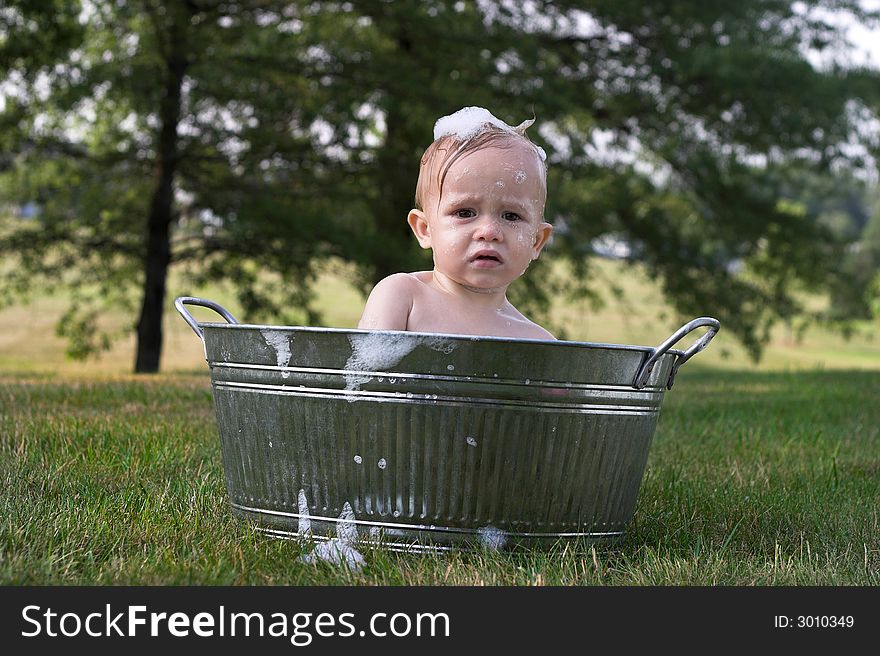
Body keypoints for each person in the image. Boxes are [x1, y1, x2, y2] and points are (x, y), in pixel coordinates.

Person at [357, 107, 555, 339]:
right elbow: (366, 374)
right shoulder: (403, 297)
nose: (489, 232)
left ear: (536, 241)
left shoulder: (537, 341)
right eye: (465, 212)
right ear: (424, 229)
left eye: (511, 216)